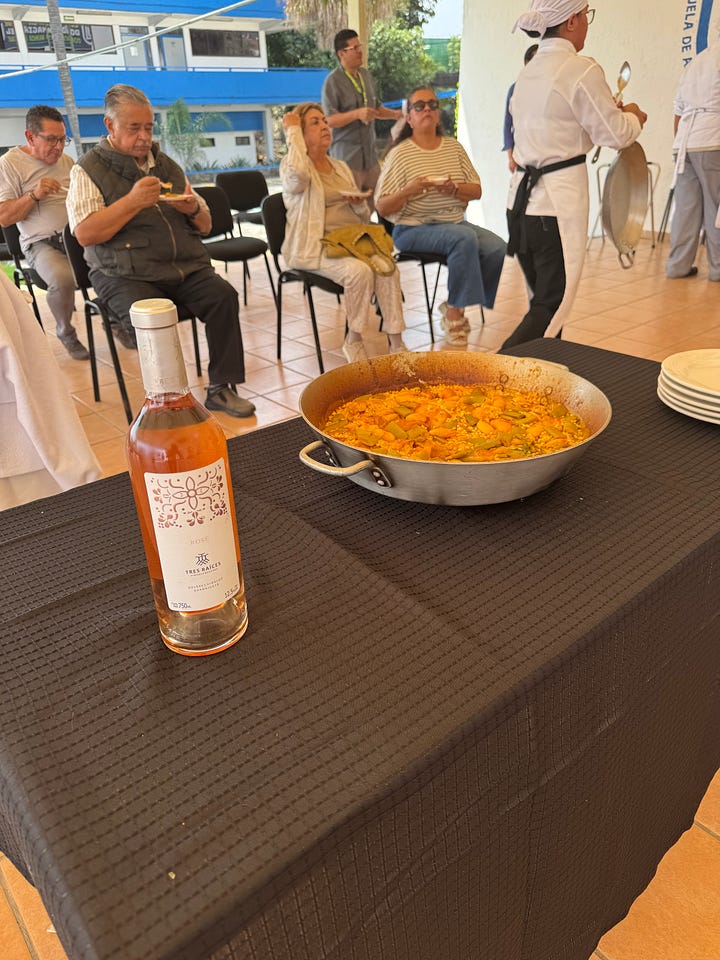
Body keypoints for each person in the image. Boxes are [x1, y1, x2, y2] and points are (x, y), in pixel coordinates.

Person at [66, 84, 254, 417]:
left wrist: (191, 208)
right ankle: (169, 403)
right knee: (153, 317)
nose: (143, 137)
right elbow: (85, 233)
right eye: (133, 128)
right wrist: (132, 201)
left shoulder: (166, 165)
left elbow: (206, 224)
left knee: (222, 296)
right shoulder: (87, 169)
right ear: (110, 125)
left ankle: (220, 389)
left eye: (148, 127)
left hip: (182, 266)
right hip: (122, 273)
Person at [503, 1, 647, 349]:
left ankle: (543, 372)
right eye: (586, 16)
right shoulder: (580, 69)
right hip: (554, 207)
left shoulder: (529, 72)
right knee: (551, 307)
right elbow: (616, 135)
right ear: (571, 21)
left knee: (543, 301)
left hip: (520, 205)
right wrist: (633, 116)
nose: (586, 24)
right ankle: (490, 370)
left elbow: (560, 126)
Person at [375, 86, 507, 347]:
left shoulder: (454, 148)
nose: (427, 109)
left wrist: (454, 189)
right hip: (411, 229)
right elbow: (382, 206)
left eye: (432, 105)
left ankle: (453, 304)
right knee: (463, 238)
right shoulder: (399, 154)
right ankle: (455, 316)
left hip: (454, 222)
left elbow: (477, 190)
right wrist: (410, 189)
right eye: (419, 106)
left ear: (438, 114)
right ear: (409, 118)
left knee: (497, 247)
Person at [280, 102, 406, 364]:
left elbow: (362, 217)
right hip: (314, 247)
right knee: (359, 272)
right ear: (301, 133)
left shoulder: (340, 166)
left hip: (350, 242)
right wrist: (292, 133)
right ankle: (354, 339)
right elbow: (299, 176)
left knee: (387, 267)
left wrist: (358, 205)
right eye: (315, 123)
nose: (325, 126)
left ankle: (397, 343)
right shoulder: (292, 166)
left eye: (325, 121)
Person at [0, 105, 89, 361]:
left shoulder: (67, 162)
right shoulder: (9, 164)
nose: (59, 147)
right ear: (30, 137)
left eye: (62, 139)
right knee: (63, 279)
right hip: (41, 243)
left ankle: (116, 321)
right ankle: (65, 331)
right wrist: (34, 195)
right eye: (51, 140)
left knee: (115, 262)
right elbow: (4, 217)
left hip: (76, 238)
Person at [321, 29, 403, 194]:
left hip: (370, 157)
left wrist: (396, 115)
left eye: (360, 46)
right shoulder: (332, 81)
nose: (360, 51)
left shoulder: (366, 76)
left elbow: (376, 108)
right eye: (355, 48)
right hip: (347, 159)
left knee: (379, 199)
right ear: (341, 54)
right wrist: (357, 114)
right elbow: (329, 120)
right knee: (352, 204)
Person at [665, 39, 720, 281]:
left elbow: (678, 109)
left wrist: (680, 147)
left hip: (684, 144)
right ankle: (718, 269)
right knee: (716, 208)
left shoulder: (698, 60)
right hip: (713, 140)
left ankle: (677, 266)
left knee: (685, 209)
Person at [502, 44, 538, 172]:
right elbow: (508, 124)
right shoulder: (515, 89)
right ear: (527, 62)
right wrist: (510, 157)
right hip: (522, 154)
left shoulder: (552, 86)